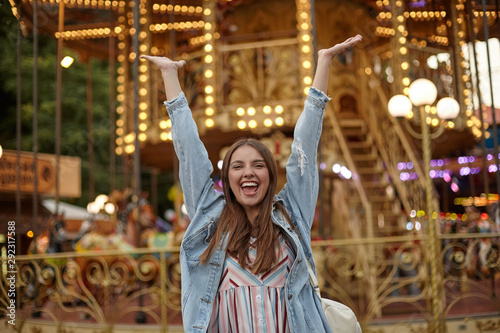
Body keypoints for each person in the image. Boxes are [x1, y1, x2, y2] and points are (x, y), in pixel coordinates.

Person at [142, 34, 363, 333]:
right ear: (227, 178)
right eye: (238, 166)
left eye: (258, 165)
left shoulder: (291, 215)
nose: (248, 172)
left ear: (271, 176)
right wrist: (171, 78)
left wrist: (323, 65)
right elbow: (189, 152)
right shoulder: (211, 220)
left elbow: (304, 150)